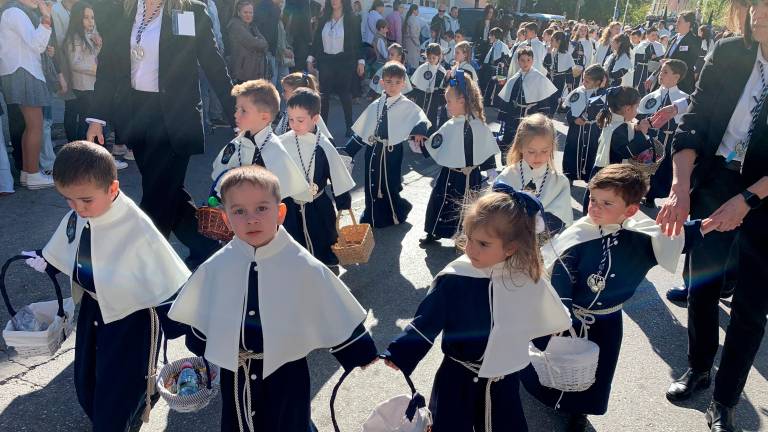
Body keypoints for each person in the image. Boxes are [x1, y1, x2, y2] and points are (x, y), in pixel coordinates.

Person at [169, 165, 378, 432]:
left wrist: (360, 350)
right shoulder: (218, 265)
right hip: (238, 373)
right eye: (239, 211)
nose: (251, 219)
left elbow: (329, 302)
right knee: (240, 424)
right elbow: (204, 308)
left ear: (280, 212)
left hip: (286, 370)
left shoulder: (301, 264)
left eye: (261, 209)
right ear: (225, 218)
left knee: (290, 423)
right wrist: (200, 341)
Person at [524, 163, 706, 432]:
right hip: (570, 316)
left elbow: (677, 236)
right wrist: (560, 314)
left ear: (630, 210)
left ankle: (580, 411)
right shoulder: (578, 235)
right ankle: (547, 395)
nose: (593, 207)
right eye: (592, 199)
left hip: (607, 321)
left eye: (606, 203)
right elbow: (561, 273)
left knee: (597, 371)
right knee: (555, 359)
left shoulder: (641, 237)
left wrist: (712, 223)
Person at [656, 3, 768, 430]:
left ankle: (726, 399)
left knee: (751, 306)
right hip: (716, 180)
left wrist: (748, 201)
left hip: (763, 197)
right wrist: (680, 186)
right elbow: (696, 120)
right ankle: (699, 367)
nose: (759, 11)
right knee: (701, 283)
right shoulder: (727, 53)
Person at [27, 141, 191, 430]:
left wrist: (186, 326)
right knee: (87, 378)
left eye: (85, 201)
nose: (77, 208)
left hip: (131, 318)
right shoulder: (83, 212)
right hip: (94, 308)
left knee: (121, 387)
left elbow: (164, 277)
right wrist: (49, 259)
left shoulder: (135, 227)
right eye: (69, 200)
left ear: (112, 189)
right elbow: (71, 241)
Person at [382, 184, 571, 432]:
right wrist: (401, 352)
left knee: (505, 425)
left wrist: (552, 342)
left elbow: (542, 315)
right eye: (469, 238)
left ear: (511, 248)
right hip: (456, 374)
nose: (470, 248)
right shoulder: (456, 277)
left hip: (503, 378)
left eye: (483, 244)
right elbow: (427, 319)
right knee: (450, 425)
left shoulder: (525, 278)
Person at [85, 0, 236, 269]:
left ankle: (147, 262)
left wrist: (237, 109)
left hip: (176, 118)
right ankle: (209, 247)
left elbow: (213, 61)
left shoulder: (190, 11)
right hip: (138, 116)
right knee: (167, 191)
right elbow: (108, 66)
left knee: (157, 193)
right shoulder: (125, 11)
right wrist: (97, 119)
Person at [211, 79, 310, 239]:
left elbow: (287, 200)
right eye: (236, 109)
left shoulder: (275, 150)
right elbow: (218, 176)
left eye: (243, 111)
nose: (236, 114)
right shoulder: (236, 143)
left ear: (264, 117)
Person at [344, 62, 429, 228]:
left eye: (397, 82)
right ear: (382, 82)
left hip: (392, 152)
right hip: (373, 150)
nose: (393, 86)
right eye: (389, 82)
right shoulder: (376, 104)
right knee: (371, 184)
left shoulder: (406, 105)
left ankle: (396, 212)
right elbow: (363, 131)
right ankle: (371, 215)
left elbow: (420, 117)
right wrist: (348, 151)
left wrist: (419, 130)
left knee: (389, 184)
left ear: (403, 84)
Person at [418, 71, 499, 244]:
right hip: (450, 174)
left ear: (462, 101)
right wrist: (421, 144)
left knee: (469, 209)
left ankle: (465, 236)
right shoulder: (450, 125)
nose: (446, 105)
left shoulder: (479, 125)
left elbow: (485, 149)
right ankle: (433, 232)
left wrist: (491, 169)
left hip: (472, 176)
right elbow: (436, 143)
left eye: (448, 102)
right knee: (441, 202)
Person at [279, 89, 355, 265]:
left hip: (318, 204)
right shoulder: (282, 142)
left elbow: (337, 175)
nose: (294, 125)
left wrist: (343, 202)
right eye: (290, 119)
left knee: (323, 236)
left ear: (315, 119)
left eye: (300, 120)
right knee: (293, 240)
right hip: (291, 204)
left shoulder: (323, 145)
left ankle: (323, 271)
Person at [0, 0, 55, 189]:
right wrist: (46, 18)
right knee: (35, 126)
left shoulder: (12, 11)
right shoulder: (15, 12)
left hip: (20, 71)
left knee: (31, 126)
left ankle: (27, 173)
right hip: (25, 72)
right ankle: (32, 175)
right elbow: (36, 44)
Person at [497, 113, 573, 234]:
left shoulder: (559, 181)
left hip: (542, 246)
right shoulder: (509, 175)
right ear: (521, 147)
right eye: (531, 151)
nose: (538, 156)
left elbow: (561, 216)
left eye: (544, 151)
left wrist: (542, 224)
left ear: (552, 148)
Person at [307, 0, 365, 137]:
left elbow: (358, 41)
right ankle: (322, 129)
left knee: (345, 94)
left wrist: (361, 61)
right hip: (326, 60)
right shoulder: (323, 18)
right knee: (324, 96)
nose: (334, 1)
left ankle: (349, 127)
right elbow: (316, 41)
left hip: (345, 61)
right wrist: (310, 58)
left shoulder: (353, 18)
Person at [636, 59, 689, 205]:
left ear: (676, 77)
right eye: (661, 71)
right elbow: (640, 115)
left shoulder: (684, 99)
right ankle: (638, 192)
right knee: (644, 165)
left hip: (668, 140)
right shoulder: (651, 97)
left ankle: (652, 195)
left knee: (662, 168)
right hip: (649, 139)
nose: (660, 74)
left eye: (665, 72)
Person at [497, 47, 557, 156]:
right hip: (514, 117)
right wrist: (504, 116)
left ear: (533, 61)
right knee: (511, 141)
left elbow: (544, 102)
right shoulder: (515, 78)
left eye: (528, 60)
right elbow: (508, 100)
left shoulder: (539, 78)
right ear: (518, 61)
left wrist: (543, 120)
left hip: (531, 116)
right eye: (522, 60)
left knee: (529, 143)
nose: (525, 63)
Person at [562, 65, 607, 183]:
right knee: (572, 150)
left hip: (593, 130)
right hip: (576, 130)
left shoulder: (602, 94)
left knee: (592, 152)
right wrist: (573, 119)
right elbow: (568, 109)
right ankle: (569, 175)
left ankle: (590, 177)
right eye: (583, 79)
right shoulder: (578, 91)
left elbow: (604, 112)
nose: (583, 82)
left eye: (587, 81)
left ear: (598, 82)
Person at [63, 1, 102, 141]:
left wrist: (98, 46)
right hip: (82, 86)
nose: (90, 21)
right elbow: (75, 63)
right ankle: (79, 150)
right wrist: (95, 70)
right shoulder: (74, 37)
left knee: (87, 122)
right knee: (83, 122)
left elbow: (92, 57)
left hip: (90, 85)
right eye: (86, 17)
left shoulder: (90, 35)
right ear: (78, 18)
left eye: (92, 17)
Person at [646, 11, 701, 94]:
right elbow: (664, 60)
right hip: (664, 82)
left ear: (688, 24)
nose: (676, 23)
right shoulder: (673, 38)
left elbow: (690, 63)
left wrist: (670, 62)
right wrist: (652, 77)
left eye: (679, 22)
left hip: (680, 83)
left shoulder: (695, 40)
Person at [274, 72, 332, 138]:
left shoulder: (310, 113)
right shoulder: (289, 110)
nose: (282, 94)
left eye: (285, 90)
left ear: (296, 92)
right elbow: (279, 133)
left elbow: (325, 138)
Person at [227, 0, 270, 83]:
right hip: (242, 73)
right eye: (245, 12)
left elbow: (265, 44)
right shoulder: (235, 25)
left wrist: (260, 43)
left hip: (254, 72)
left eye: (251, 13)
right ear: (238, 12)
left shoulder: (252, 26)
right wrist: (259, 42)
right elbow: (252, 43)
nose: (248, 15)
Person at [410, 43, 448, 134]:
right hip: (421, 97)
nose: (431, 60)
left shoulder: (442, 71)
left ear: (439, 57)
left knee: (431, 118)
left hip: (434, 99)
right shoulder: (422, 68)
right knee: (419, 117)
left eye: (434, 58)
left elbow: (443, 88)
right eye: (429, 57)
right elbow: (414, 84)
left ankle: (429, 137)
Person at [545, 30, 575, 115]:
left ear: (558, 41)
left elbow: (569, 73)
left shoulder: (567, 55)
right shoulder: (551, 51)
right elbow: (546, 64)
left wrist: (570, 88)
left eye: (552, 40)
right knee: (546, 101)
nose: (550, 42)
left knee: (554, 101)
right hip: (549, 78)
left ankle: (549, 118)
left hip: (559, 80)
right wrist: (549, 52)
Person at [479, 27, 511, 104]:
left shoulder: (502, 45)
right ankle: (487, 100)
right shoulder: (494, 45)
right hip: (491, 69)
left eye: (490, 35)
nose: (489, 37)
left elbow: (504, 58)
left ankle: (493, 102)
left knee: (495, 87)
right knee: (489, 86)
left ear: (494, 36)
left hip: (498, 70)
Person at [632, 27, 664, 95]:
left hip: (654, 70)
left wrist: (657, 57)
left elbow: (662, 57)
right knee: (641, 87)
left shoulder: (659, 45)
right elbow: (637, 57)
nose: (655, 37)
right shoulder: (641, 45)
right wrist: (649, 56)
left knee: (652, 87)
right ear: (647, 35)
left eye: (656, 35)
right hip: (642, 70)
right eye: (653, 35)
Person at [403, 4, 420, 70]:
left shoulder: (410, 18)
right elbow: (413, 34)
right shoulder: (412, 19)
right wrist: (417, 43)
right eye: (417, 10)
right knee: (413, 62)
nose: (418, 11)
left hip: (409, 42)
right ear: (414, 10)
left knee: (409, 60)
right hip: (413, 43)